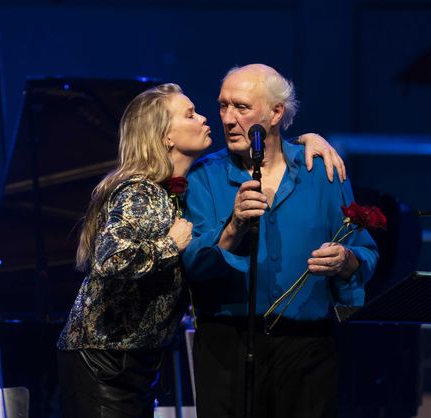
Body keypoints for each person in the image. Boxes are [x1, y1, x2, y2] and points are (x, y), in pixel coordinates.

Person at [57, 81, 349, 417]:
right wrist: (172, 244)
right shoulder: (139, 191)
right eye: (191, 114)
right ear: (166, 136)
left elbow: (272, 145)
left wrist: (302, 139)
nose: (212, 119)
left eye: (235, 107)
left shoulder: (170, 190)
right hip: (104, 359)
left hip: (135, 358)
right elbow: (110, 261)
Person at [182, 64, 380, 418]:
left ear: (276, 112)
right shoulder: (205, 177)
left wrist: (345, 258)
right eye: (223, 106)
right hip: (227, 344)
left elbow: (365, 252)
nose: (228, 119)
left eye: (241, 107)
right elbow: (192, 264)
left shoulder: (321, 170)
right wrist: (233, 227)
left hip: (307, 349)